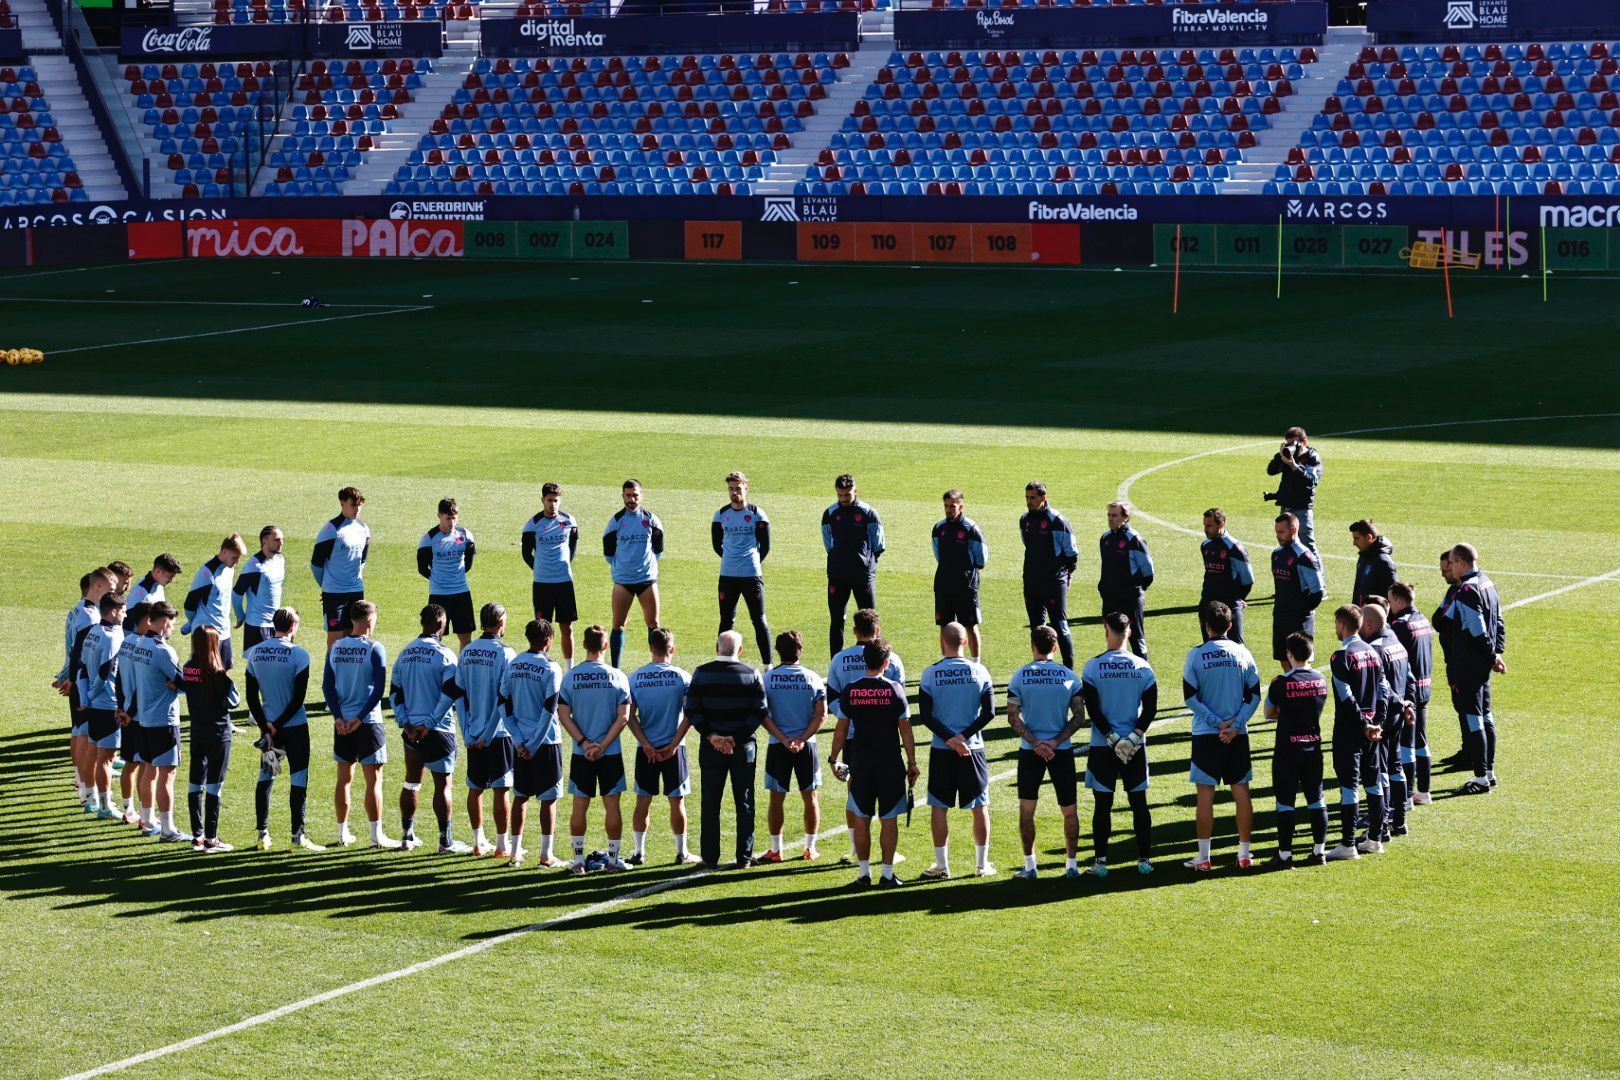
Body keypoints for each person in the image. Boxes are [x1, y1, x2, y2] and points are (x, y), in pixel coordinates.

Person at [828, 638, 917, 889]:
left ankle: (864, 874)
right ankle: (887, 875)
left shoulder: (852, 690)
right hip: (889, 763)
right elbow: (906, 730)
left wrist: (834, 759)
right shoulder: (894, 690)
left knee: (861, 818)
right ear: (886, 664)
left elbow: (841, 729)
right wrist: (912, 762)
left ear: (864, 661)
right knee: (889, 819)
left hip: (861, 762)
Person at [1181, 601, 1263, 871]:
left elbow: (1190, 698)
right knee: (1241, 791)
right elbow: (1254, 696)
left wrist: (1217, 724)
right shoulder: (1243, 653)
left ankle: (1204, 858)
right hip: (1237, 736)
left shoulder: (1195, 655)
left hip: (1206, 735)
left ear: (1206, 626)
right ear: (1230, 625)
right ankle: (1244, 855)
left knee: (1205, 795)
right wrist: (1235, 725)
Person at [1080, 612, 1158, 877]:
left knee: (1103, 804)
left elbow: (1093, 709)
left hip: (1104, 746)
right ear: (1130, 633)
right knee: (1139, 802)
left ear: (1107, 632)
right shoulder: (1143, 667)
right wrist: (1132, 739)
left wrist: (1113, 739)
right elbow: (1150, 710)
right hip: (1135, 747)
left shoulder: (1092, 667)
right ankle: (1144, 861)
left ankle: (1101, 863)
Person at [1006, 625, 1086, 880]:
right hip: (1060, 752)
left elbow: (1012, 717)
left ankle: (1030, 868)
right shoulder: (1070, 677)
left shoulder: (1020, 676)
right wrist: (1054, 742)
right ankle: (1071, 866)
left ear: (1032, 646)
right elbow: (1079, 716)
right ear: (1055, 647)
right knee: (1070, 810)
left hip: (1030, 752)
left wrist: (1036, 743)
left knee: (1027, 809)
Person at [917, 622, 996, 880]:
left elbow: (925, 716)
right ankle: (982, 865)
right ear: (965, 642)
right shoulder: (980, 671)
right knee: (979, 806)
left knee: (939, 807)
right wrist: (964, 736)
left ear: (942, 641)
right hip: (973, 749)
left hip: (942, 749)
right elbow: (990, 713)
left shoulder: (930, 674)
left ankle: (942, 866)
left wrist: (951, 739)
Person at [825, 609, 905, 863]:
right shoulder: (893, 659)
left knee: (855, 793)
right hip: (884, 739)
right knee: (887, 798)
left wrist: (852, 715)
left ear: (854, 631)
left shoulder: (839, 659)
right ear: (877, 631)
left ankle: (855, 849)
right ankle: (885, 856)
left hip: (850, 737)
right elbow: (900, 701)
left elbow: (831, 698)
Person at [685, 631, 769, 870]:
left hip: (711, 748)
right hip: (743, 748)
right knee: (744, 802)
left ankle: (710, 857)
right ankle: (744, 856)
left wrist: (713, 737)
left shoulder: (701, 673)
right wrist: (735, 737)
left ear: (716, 647)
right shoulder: (751, 674)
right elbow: (759, 711)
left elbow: (692, 709)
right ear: (740, 650)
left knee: (710, 802)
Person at [245, 607, 323, 851]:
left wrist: (266, 728)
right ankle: (297, 836)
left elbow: (250, 696)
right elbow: (298, 699)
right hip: (295, 729)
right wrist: (276, 725)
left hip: (270, 733)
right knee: (298, 779)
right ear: (293, 627)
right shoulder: (299, 655)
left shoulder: (255, 653)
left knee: (267, 776)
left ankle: (262, 835)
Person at [557, 625, 633, 872]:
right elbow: (623, 717)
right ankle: (612, 861)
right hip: (609, 753)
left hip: (582, 754)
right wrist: (602, 745)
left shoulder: (571, 676)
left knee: (580, 806)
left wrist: (584, 743)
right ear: (605, 646)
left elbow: (564, 715)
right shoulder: (618, 676)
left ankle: (578, 862)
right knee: (612, 806)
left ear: (583, 645)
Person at [389, 604, 462, 853]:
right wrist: (429, 724)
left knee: (411, 782)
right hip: (438, 730)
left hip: (411, 731)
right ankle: (445, 841)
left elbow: (395, 693)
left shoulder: (404, 653)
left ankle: (407, 837)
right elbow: (449, 694)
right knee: (443, 785)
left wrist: (405, 723)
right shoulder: (445, 655)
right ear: (441, 624)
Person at [323, 600, 394, 848]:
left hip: (343, 723)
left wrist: (338, 717)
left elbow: (327, 687)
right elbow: (378, 691)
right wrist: (360, 717)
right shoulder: (375, 648)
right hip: (368, 722)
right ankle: (376, 835)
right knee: (374, 780)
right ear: (369, 621)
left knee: (344, 778)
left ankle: (342, 834)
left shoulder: (336, 647)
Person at [118, 602, 187, 842]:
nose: (172, 629)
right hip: (164, 720)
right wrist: (178, 685)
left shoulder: (138, 645)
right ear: (165, 622)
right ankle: (168, 829)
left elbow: (137, 685)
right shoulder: (163, 650)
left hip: (143, 719)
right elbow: (184, 682)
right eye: (173, 625)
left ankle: (148, 820)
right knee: (167, 774)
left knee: (148, 768)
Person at [627, 628, 697, 866]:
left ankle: (638, 852)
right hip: (675, 750)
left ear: (651, 648)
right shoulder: (683, 677)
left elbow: (629, 716)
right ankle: (682, 852)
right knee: (677, 801)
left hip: (646, 750)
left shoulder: (635, 677)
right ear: (672, 649)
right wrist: (673, 744)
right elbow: (689, 716)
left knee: (642, 800)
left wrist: (645, 743)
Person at [451, 603, 515, 857]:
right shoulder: (506, 653)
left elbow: (459, 695)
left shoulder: (466, 652)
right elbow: (503, 699)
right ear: (500, 623)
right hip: (497, 734)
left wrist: (468, 732)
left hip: (473, 732)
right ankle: (501, 844)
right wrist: (488, 735)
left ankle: (478, 843)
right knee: (501, 789)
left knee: (475, 788)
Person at [1326, 604, 1389, 860]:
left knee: (1349, 786)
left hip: (1351, 731)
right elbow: (1384, 690)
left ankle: (1349, 844)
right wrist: (1378, 724)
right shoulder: (1374, 653)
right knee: (1374, 784)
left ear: (1342, 625)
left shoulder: (1340, 656)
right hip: (1373, 731)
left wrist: (1363, 724)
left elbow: (1346, 697)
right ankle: (1375, 838)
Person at [501, 618, 566, 867]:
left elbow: (503, 704)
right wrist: (533, 744)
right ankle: (546, 855)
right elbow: (549, 711)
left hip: (519, 743)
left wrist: (518, 740)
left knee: (521, 796)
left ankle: (515, 853)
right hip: (545, 743)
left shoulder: (514, 664)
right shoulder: (551, 667)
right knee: (548, 799)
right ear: (549, 640)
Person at [759, 630, 828, 862]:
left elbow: (762, 715)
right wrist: (801, 739)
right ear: (801, 649)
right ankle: (810, 847)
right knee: (810, 797)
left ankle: (776, 849)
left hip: (779, 746)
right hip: (807, 746)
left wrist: (783, 738)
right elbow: (821, 716)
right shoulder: (813, 678)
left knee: (776, 798)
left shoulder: (767, 679)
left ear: (777, 651)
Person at [1263, 632, 1330, 868]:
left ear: (1289, 655)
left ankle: (1284, 855)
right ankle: (1319, 852)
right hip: (1313, 747)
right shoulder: (1321, 680)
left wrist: (1286, 712)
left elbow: (1268, 714)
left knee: (1285, 802)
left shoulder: (1280, 683)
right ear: (1311, 653)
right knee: (1317, 800)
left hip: (1287, 750)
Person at [1444, 543, 1506, 795]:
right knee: (1487, 716)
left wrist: (1492, 655)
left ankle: (1480, 777)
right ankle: (1489, 773)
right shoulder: (1488, 583)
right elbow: (1499, 622)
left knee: (1474, 719)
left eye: (1450, 562)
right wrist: (1497, 653)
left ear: (1460, 563)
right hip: (1482, 664)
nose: (1448, 567)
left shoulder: (1467, 590)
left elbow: (1478, 631)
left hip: (1469, 664)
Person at [57, 567, 116, 805]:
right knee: (84, 736)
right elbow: (79, 653)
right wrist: (72, 680)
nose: (112, 595)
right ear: (99, 586)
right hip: (82, 681)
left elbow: (70, 648)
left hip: (75, 678)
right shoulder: (89, 617)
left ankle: (82, 785)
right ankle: (86, 791)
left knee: (78, 732)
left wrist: (64, 675)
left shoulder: (77, 609)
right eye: (110, 589)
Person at [180, 626, 240, 852]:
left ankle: (197, 836)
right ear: (215, 644)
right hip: (219, 733)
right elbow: (235, 701)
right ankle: (211, 839)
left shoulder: (187, 669)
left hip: (197, 732)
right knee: (215, 785)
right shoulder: (218, 674)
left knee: (195, 782)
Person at [1360, 601, 1412, 840]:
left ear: (1368, 624)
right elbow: (1409, 679)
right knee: (1395, 765)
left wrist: (1378, 720)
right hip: (1398, 714)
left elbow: (1382, 688)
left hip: (1383, 717)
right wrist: (1406, 704)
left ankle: (1382, 823)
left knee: (1380, 770)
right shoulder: (1396, 643)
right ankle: (1399, 820)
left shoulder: (1375, 649)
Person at [602, 479, 665, 669]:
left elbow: (659, 549)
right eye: (628, 495)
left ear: (641, 495)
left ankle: (657, 665)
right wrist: (624, 568)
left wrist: (645, 566)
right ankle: (616, 669)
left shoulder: (651, 519)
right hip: (623, 581)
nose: (632, 499)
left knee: (653, 623)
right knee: (618, 624)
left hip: (647, 579)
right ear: (623, 496)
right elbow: (608, 553)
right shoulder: (615, 522)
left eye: (635, 495)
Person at [822, 474, 886, 657]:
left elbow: (878, 544)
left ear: (855, 491)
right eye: (840, 495)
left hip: (862, 575)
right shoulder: (830, 514)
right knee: (836, 621)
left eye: (847, 495)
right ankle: (835, 663)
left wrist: (866, 563)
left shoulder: (868, 513)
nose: (843, 499)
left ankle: (875, 661)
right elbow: (829, 544)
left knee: (869, 621)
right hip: (837, 575)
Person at [712, 471, 772, 663]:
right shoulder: (720, 515)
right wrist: (731, 558)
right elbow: (716, 545)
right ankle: (722, 662)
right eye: (731, 488)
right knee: (726, 621)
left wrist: (751, 561)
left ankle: (768, 665)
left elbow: (766, 546)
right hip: (728, 575)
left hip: (751, 576)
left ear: (746, 488)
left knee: (759, 620)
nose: (734, 492)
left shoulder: (757, 514)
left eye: (738, 488)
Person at [76, 592, 126, 821]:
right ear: (114, 611)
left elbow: (83, 668)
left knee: (93, 751)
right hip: (108, 705)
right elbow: (105, 674)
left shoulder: (93, 632)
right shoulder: (113, 637)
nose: (125, 615)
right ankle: (106, 808)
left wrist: (85, 697)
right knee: (106, 758)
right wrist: (92, 696)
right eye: (123, 611)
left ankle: (90, 799)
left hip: (95, 706)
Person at [521, 482, 580, 670]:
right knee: (542, 628)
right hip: (542, 584)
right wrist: (539, 567)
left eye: (555, 500)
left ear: (560, 500)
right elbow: (525, 553)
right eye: (549, 500)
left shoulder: (569, 521)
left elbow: (572, 546)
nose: (552, 504)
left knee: (567, 627)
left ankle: (569, 669)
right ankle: (542, 664)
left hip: (564, 582)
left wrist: (565, 564)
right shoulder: (532, 524)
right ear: (542, 500)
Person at [1020, 481, 1079, 670]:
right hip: (1031, 580)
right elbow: (1028, 545)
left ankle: (1068, 668)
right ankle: (1040, 665)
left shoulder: (1057, 520)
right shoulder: (1025, 520)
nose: (1029, 501)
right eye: (1027, 497)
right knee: (1036, 627)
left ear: (1043, 498)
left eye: (1033, 498)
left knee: (1060, 626)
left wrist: (1066, 574)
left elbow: (1071, 553)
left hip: (1053, 581)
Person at [1387, 582, 1435, 805]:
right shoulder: (1422, 619)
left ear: (1398, 601)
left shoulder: (1400, 625)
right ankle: (1423, 792)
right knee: (1421, 740)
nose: (1389, 606)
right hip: (1425, 685)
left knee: (1406, 744)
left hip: (1410, 690)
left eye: (1390, 601)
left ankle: (1406, 796)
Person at [931, 490, 987, 661]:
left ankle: (976, 663)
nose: (949, 510)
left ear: (961, 506)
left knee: (970, 625)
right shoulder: (938, 528)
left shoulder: (971, 529)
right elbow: (938, 555)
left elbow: (981, 559)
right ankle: (947, 660)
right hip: (943, 583)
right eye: (946, 506)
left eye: (952, 506)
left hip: (966, 585)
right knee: (944, 626)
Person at [312, 486, 370, 648]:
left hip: (356, 591)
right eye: (353, 505)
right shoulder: (331, 530)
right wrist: (325, 586)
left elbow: (362, 560)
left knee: (355, 635)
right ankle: (330, 674)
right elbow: (316, 563)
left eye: (359, 505)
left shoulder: (364, 529)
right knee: (335, 640)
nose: (357, 509)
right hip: (334, 593)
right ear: (342, 503)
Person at [1097, 501, 1154, 660]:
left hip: (1130, 599)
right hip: (1110, 599)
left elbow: (1148, 571)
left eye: (1115, 515)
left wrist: (1136, 590)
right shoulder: (1105, 538)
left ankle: (1144, 674)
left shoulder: (1134, 539)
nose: (1110, 519)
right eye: (1109, 515)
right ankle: (1117, 672)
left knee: (1136, 639)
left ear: (1125, 517)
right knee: (1112, 639)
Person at [181, 534, 247, 671]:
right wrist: (193, 623)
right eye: (235, 558)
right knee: (206, 674)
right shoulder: (207, 574)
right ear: (224, 552)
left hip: (224, 631)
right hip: (207, 635)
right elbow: (189, 605)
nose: (236, 562)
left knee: (224, 671)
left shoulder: (230, 569)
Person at [418, 498, 477, 649]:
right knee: (435, 637)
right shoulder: (429, 539)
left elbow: (469, 561)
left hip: (461, 592)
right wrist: (438, 579)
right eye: (448, 518)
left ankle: (463, 670)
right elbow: (422, 568)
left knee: (465, 636)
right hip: (438, 594)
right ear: (439, 516)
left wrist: (457, 577)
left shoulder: (465, 535)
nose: (451, 522)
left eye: (454, 518)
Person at [115, 602, 153, 825]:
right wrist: (130, 712)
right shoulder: (143, 647)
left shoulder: (126, 642)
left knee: (130, 763)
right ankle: (145, 814)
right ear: (147, 621)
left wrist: (121, 708)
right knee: (146, 766)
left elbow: (119, 680)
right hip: (140, 715)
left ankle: (129, 810)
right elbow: (142, 684)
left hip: (126, 711)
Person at [1271, 513, 1325, 671]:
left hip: (1298, 620)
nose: (1278, 536)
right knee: (1283, 658)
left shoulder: (1304, 557)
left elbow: (1318, 591)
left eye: (1281, 532)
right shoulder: (1277, 554)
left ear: (1293, 530)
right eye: (1276, 532)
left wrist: (1303, 610)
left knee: (1301, 663)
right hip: (1280, 616)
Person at [1430, 549, 1468, 767]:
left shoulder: (1463, 592)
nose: (1444, 574)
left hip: (1460, 659)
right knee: (1459, 705)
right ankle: (1467, 749)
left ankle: (1472, 754)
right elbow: (1438, 618)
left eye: (1447, 569)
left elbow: (1442, 621)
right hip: (1452, 658)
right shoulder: (1452, 590)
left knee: (1466, 706)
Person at [1200, 508, 1254, 645]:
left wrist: (1238, 600)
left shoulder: (1235, 549)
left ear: (1221, 525)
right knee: (1209, 647)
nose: (1206, 529)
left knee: (1237, 649)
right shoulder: (1206, 546)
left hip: (1229, 607)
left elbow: (1248, 580)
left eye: (1209, 526)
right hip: (1208, 605)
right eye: (1205, 525)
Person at [1265, 426, 1323, 550]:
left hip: (1302, 508)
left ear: (1305, 442)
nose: (1292, 446)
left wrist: (1294, 466)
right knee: (1286, 544)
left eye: (1295, 443)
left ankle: (1317, 570)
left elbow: (1312, 480)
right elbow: (1271, 471)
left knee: (1308, 547)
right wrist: (1281, 456)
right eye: (1289, 443)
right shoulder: (1287, 456)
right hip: (1286, 507)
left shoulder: (1312, 458)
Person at [233, 526, 285, 653]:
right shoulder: (255, 566)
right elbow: (236, 593)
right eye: (277, 540)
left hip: (276, 624)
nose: (281, 543)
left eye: (282, 539)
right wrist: (240, 616)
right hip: (257, 625)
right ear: (265, 541)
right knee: (255, 668)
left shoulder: (280, 560)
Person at [125, 554, 180, 631]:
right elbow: (128, 618)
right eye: (170, 577)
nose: (171, 580)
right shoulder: (142, 590)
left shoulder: (159, 585)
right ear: (158, 571)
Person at [1350, 520, 1398, 607]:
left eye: (1357, 538)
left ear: (1369, 537)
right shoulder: (1363, 557)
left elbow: (1394, 596)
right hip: (1362, 615)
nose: (1354, 543)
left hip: (1375, 617)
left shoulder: (1383, 562)